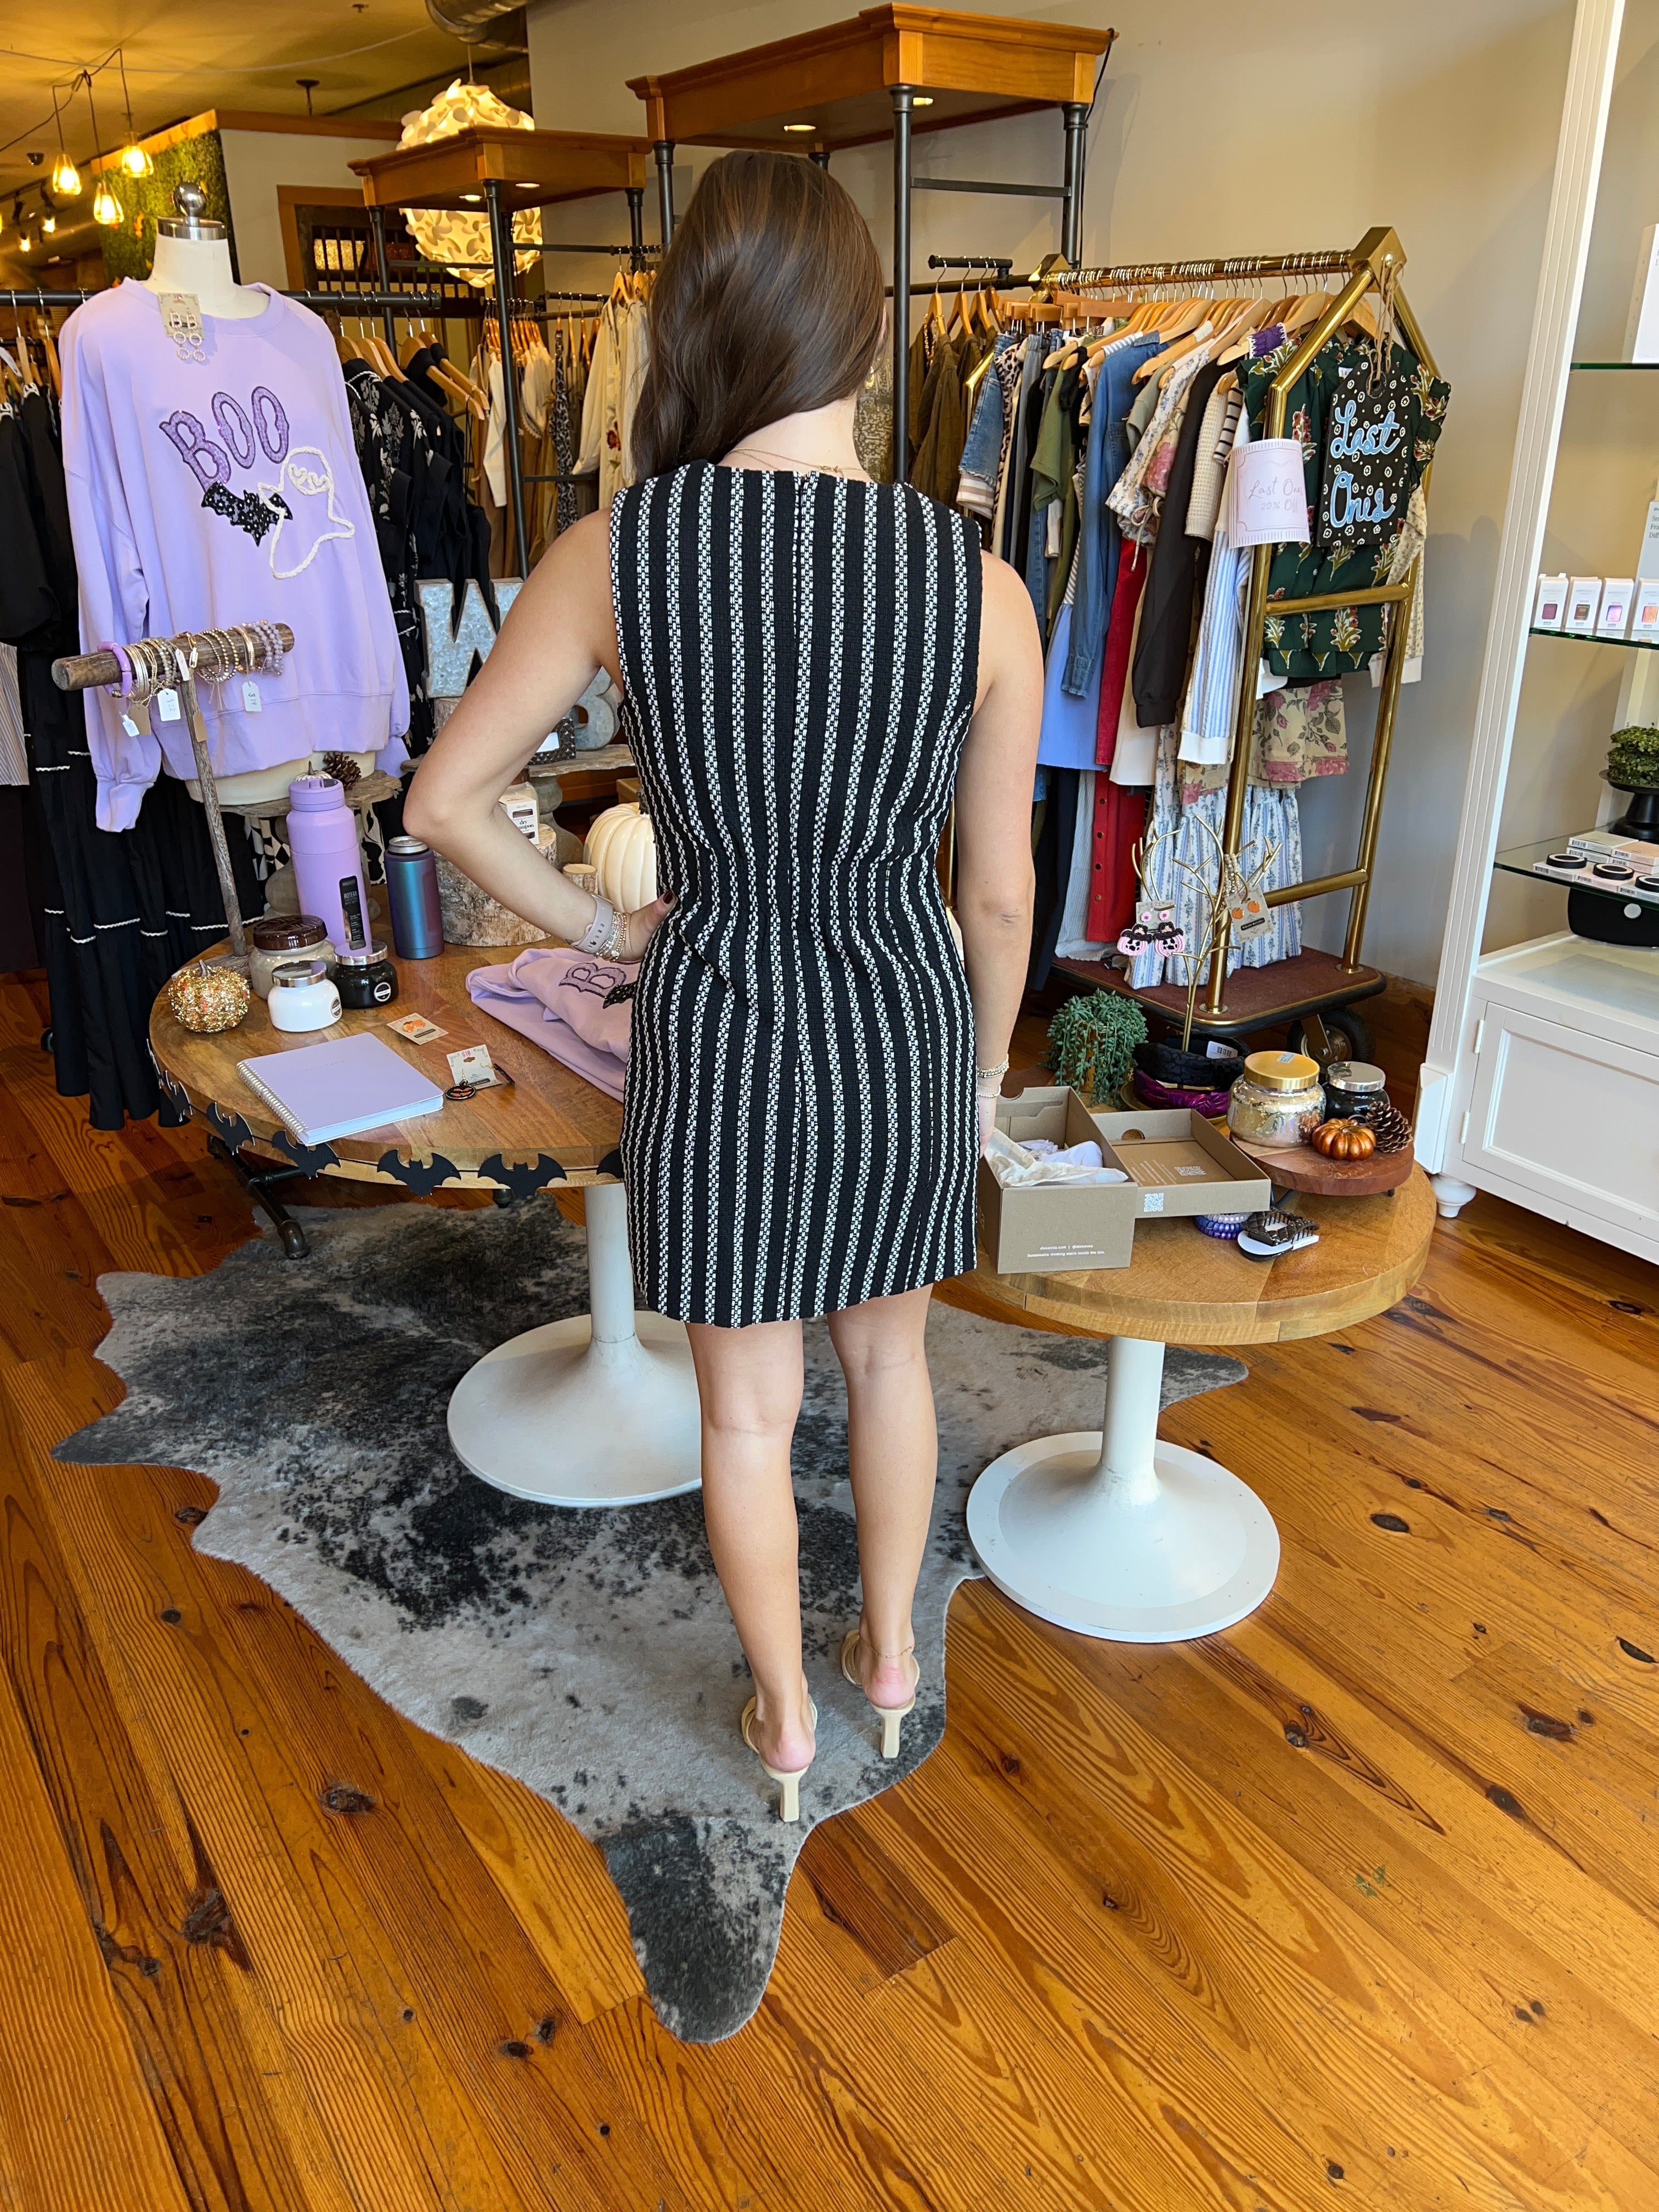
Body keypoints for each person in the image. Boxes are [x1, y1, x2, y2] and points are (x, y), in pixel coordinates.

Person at [405, 152, 1041, 1823]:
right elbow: (997, 895)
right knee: (892, 1369)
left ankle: (784, 1721)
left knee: (746, 1414)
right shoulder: (977, 583)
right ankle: (889, 1663)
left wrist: (605, 930)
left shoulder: (621, 552)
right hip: (905, 1016)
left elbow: (443, 803)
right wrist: (979, 1081)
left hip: (727, 1019)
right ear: (868, 333)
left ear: (691, 323)